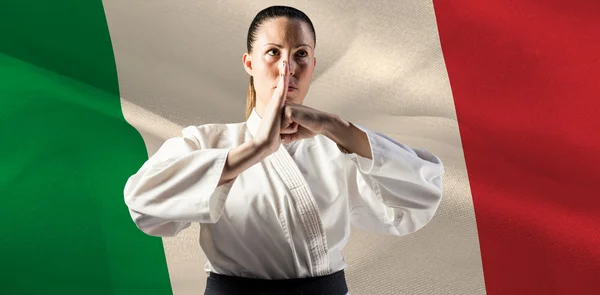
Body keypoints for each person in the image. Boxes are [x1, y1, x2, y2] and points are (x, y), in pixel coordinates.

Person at [124, 5, 445, 295]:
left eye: (301, 54)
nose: (287, 67)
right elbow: (143, 201)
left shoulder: (339, 147)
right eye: (273, 52)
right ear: (249, 63)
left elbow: (423, 193)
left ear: (314, 63)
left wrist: (335, 127)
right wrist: (255, 150)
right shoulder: (207, 142)